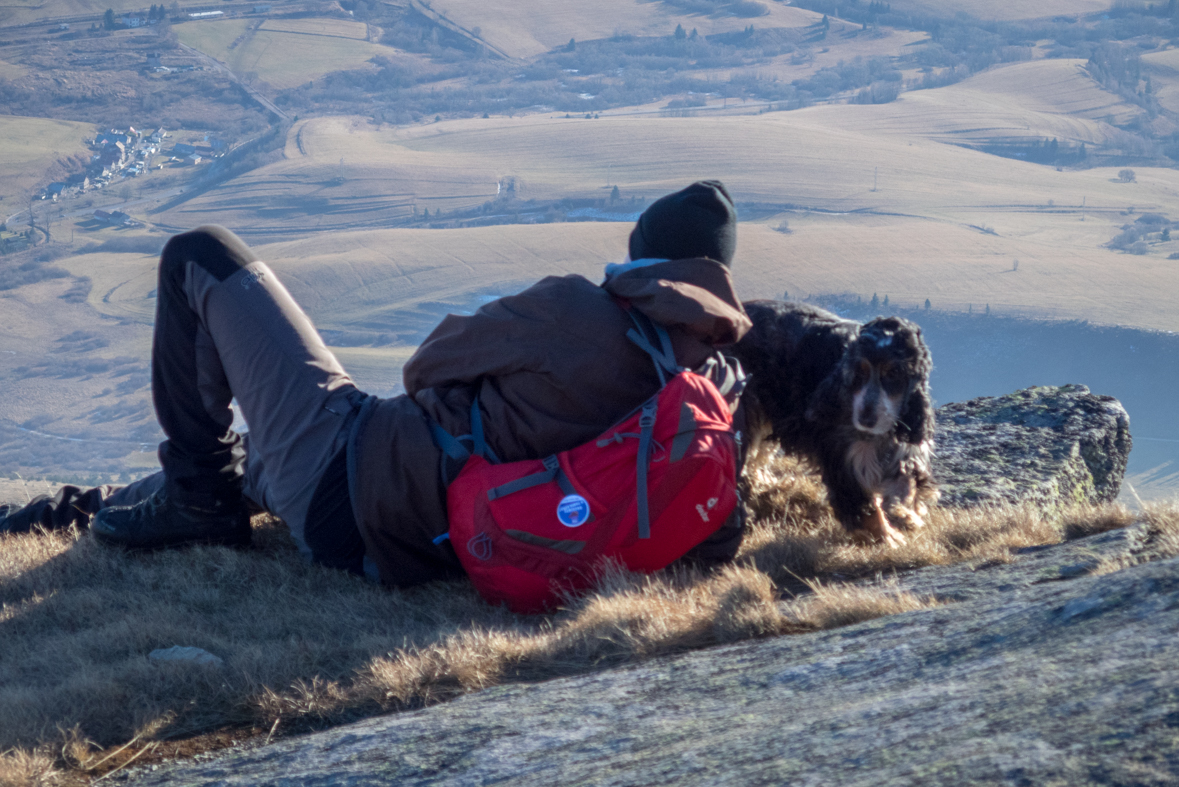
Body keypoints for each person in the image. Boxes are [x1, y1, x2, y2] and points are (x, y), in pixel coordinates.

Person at [0, 181, 753, 589]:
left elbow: (426, 364)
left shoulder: (576, 309)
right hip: (437, 546)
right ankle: (67, 512)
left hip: (350, 474)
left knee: (199, 255)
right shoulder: (713, 389)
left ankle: (191, 500)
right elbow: (713, 533)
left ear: (639, 256)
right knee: (256, 464)